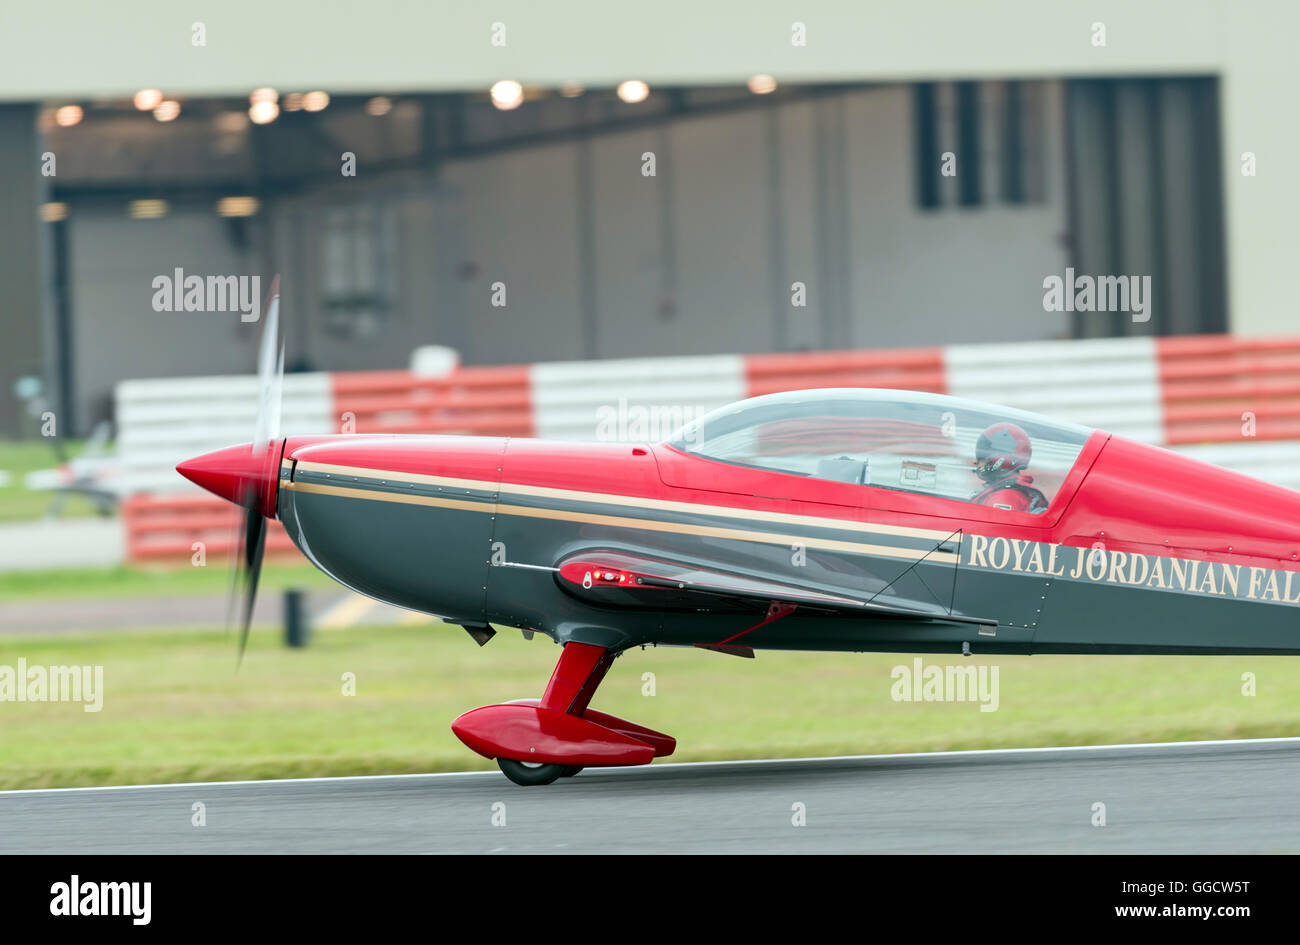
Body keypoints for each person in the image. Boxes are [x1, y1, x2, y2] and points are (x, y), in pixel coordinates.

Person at [971, 422, 1049, 513]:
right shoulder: (1006, 492)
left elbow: (992, 527)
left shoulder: (1004, 496)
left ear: (1000, 457)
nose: (978, 463)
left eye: (982, 458)